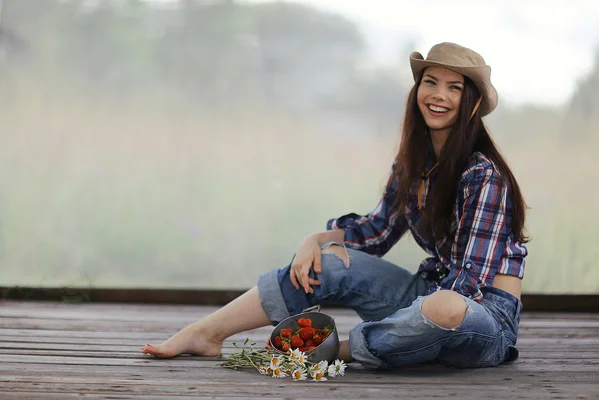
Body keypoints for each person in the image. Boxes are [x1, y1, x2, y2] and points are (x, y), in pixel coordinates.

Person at [141, 42, 529, 370]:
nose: (438, 95)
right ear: (417, 91)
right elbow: (373, 235)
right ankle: (206, 333)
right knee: (331, 261)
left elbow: (468, 283)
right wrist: (318, 238)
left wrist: (413, 316)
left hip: (482, 318)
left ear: (472, 104)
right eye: (430, 82)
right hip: (428, 296)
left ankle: (335, 351)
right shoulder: (413, 165)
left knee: (443, 307)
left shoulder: (483, 175)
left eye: (454, 88)